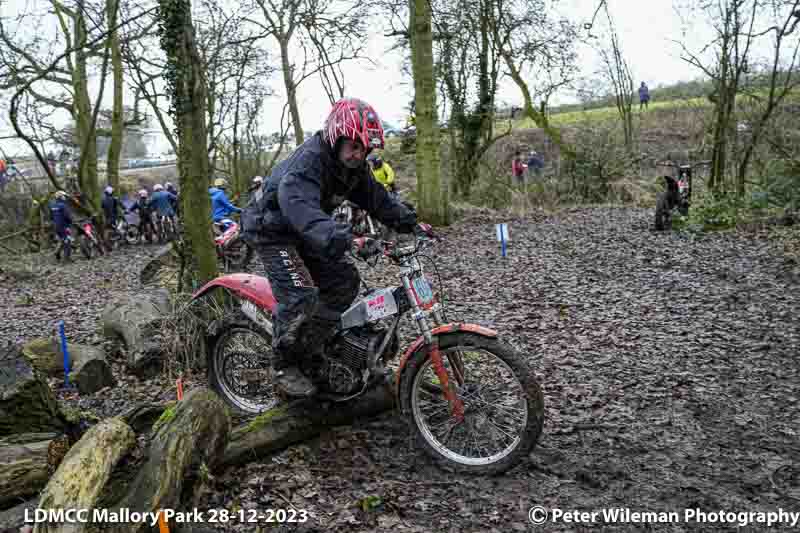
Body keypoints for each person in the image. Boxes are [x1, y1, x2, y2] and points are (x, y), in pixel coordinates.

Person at [240, 97, 418, 398]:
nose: (359, 154)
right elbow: (299, 206)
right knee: (300, 296)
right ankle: (284, 365)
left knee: (343, 281)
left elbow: (377, 199)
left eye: (365, 149)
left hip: (305, 229)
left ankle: (317, 343)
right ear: (337, 136)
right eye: (354, 146)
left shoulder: (353, 168)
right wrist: (339, 236)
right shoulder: (307, 163)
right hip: (272, 230)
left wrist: (410, 222)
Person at [49, 190, 73, 261]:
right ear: (61, 197)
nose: (65, 197)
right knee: (67, 241)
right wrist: (71, 222)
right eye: (64, 196)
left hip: (56, 226)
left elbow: (51, 217)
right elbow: (67, 216)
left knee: (62, 240)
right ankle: (67, 258)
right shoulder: (63, 206)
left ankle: (57, 253)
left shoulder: (52, 205)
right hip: (64, 226)